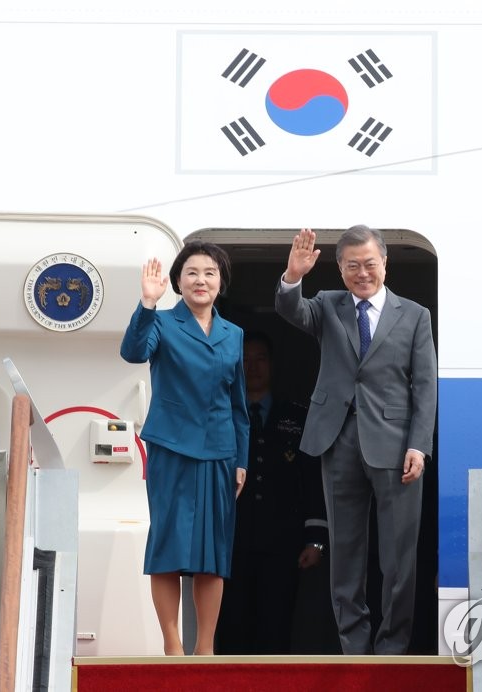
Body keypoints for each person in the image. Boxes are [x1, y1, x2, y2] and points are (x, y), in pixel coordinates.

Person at [274, 225, 437, 655]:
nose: (362, 273)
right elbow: (291, 309)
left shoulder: (415, 315)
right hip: (338, 439)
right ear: (341, 269)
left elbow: (425, 386)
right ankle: (355, 648)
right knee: (345, 552)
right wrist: (293, 277)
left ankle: (392, 648)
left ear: (385, 263)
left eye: (369, 264)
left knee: (399, 555)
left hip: (397, 444)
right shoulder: (328, 305)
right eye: (352, 266)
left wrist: (419, 445)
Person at [120, 241, 249, 656]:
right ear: (178, 281)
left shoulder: (233, 334)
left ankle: (204, 648)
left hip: (220, 453)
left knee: (214, 552)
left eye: (210, 273)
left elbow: (238, 405)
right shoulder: (161, 323)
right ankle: (173, 646)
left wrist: (242, 460)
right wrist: (147, 303)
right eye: (192, 273)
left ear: (220, 282)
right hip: (171, 450)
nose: (201, 280)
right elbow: (132, 351)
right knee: (169, 546)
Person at [214, 331, 329, 655]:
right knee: (232, 626)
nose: (253, 367)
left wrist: (316, 539)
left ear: (273, 364)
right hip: (231, 541)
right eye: (245, 360)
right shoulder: (222, 416)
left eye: (260, 359)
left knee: (276, 627)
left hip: (282, 543)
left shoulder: (296, 416)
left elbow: (312, 478)